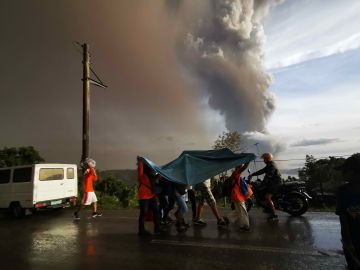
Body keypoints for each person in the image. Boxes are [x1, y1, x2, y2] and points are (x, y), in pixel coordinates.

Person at [336, 153, 360, 270]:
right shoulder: (342, 192)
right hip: (353, 242)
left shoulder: (343, 192)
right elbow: (343, 220)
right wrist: (347, 243)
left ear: (355, 171)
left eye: (345, 170)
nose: (342, 173)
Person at [249, 153, 281, 221]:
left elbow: (268, 176)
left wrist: (262, 183)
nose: (263, 160)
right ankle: (268, 208)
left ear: (267, 159)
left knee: (267, 196)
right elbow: (262, 171)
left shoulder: (271, 165)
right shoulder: (269, 164)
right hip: (272, 183)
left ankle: (274, 215)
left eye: (264, 159)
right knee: (263, 192)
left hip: (275, 183)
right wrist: (253, 174)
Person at [137, 157, 161, 236]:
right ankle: (141, 230)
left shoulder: (153, 176)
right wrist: (140, 162)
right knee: (144, 212)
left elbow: (160, 176)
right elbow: (140, 170)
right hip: (144, 196)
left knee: (156, 211)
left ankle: (157, 228)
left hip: (151, 195)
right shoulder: (143, 176)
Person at [229, 163, 252, 231]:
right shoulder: (236, 173)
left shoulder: (235, 174)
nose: (242, 166)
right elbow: (244, 167)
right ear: (239, 167)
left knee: (239, 211)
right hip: (237, 195)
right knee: (243, 210)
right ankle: (245, 226)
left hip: (235, 195)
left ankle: (227, 219)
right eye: (241, 165)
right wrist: (248, 161)